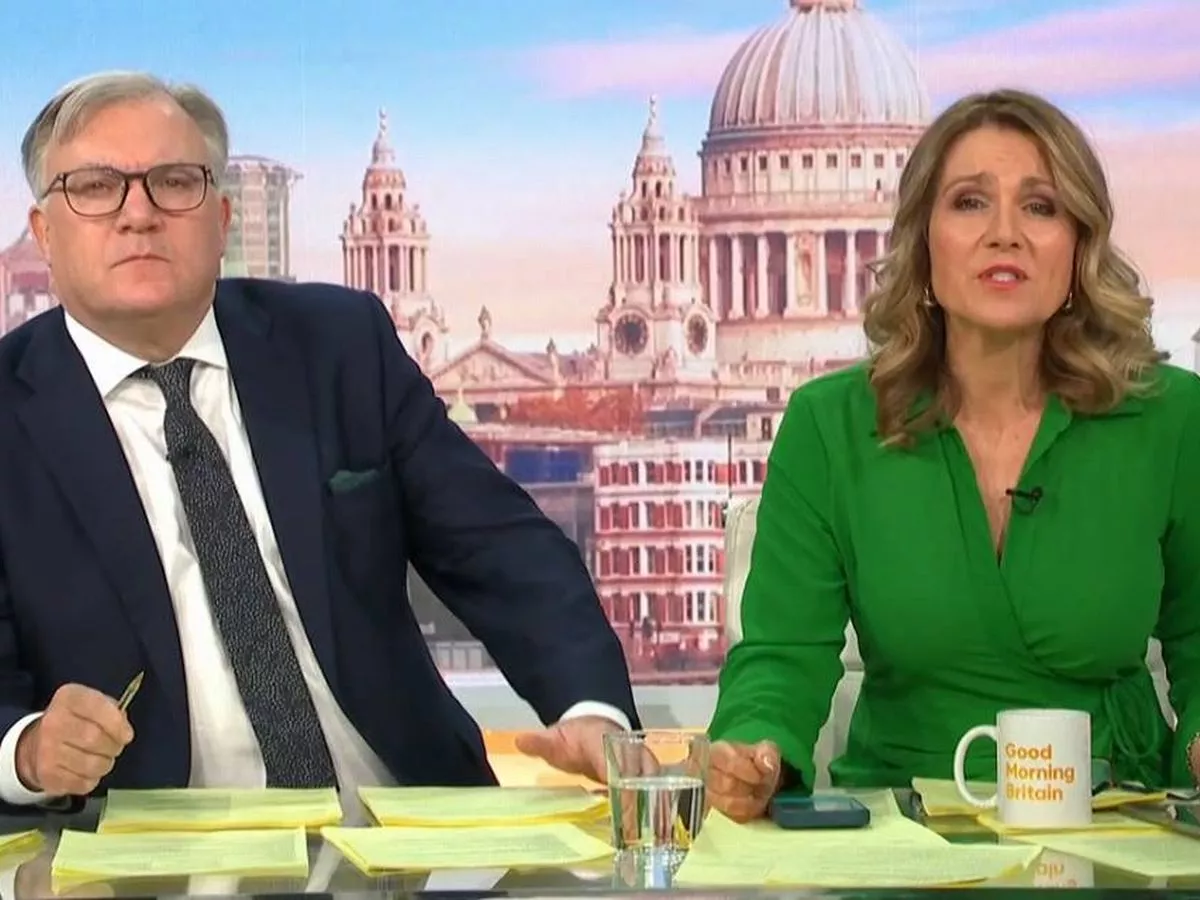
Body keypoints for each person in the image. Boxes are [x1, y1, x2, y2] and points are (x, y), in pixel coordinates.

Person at [0, 70, 639, 811]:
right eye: (95, 187)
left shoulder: (339, 346)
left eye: (174, 182)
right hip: (144, 841)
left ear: (222, 218)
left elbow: (500, 546)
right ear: (45, 232)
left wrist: (590, 710)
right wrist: (28, 750)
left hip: (400, 827)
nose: (138, 214)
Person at [706, 87, 1200, 821]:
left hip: (1119, 820)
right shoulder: (828, 425)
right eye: (970, 202)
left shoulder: (1173, 419)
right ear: (923, 240)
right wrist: (756, 752)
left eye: (1040, 206)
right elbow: (782, 656)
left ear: (1080, 244)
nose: (1005, 234)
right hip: (899, 822)